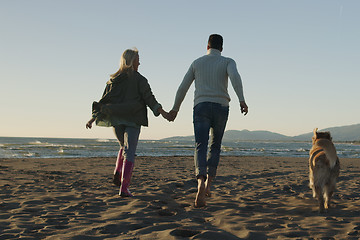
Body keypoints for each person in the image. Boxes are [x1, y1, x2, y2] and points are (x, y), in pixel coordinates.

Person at [167, 34, 248, 207]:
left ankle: (200, 182)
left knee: (200, 145)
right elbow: (235, 77)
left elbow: (183, 86)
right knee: (215, 145)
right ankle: (209, 184)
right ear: (222, 48)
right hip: (221, 106)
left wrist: (175, 108)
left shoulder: (197, 63)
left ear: (207, 46)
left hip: (201, 106)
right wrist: (241, 99)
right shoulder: (228, 61)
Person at [86, 48, 168, 197]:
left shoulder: (113, 80)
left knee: (123, 147)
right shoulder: (139, 80)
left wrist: (93, 118)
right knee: (129, 152)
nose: (140, 62)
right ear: (131, 61)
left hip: (116, 119)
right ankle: (124, 188)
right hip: (133, 119)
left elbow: (104, 100)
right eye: (138, 59)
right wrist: (163, 113)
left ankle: (118, 171)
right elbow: (150, 98)